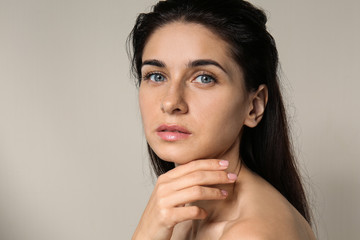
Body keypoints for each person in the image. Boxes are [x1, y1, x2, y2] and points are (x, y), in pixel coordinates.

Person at [128, 0, 316, 239]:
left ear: (254, 106)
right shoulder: (179, 216)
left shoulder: (250, 233)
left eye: (204, 78)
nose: (170, 102)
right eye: (156, 75)